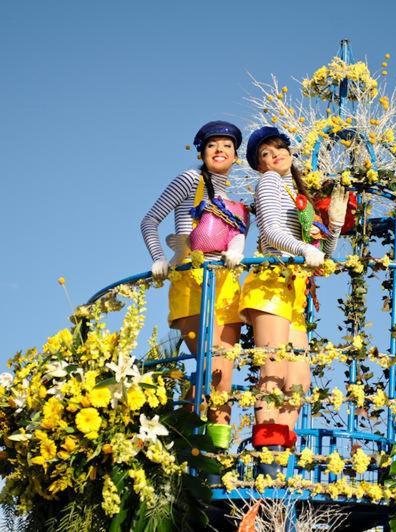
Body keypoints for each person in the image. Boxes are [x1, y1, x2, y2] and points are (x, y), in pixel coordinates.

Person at [239, 126, 347, 458]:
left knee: (299, 380)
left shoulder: (298, 197)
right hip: (271, 282)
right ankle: (268, 461)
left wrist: (336, 227)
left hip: (294, 289)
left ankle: (280, 451)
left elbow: (323, 258)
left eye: (279, 149)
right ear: (260, 166)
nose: (274, 157)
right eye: (265, 155)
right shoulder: (269, 183)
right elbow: (271, 233)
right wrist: (304, 249)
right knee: (274, 372)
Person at [140, 120, 245, 451]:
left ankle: (214, 456)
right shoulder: (189, 180)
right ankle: (180, 443)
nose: (220, 150)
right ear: (201, 151)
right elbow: (149, 220)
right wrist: (159, 258)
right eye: (213, 144)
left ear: (236, 156)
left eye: (227, 146)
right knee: (211, 365)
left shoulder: (232, 194)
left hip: (226, 284)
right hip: (191, 281)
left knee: (222, 376)